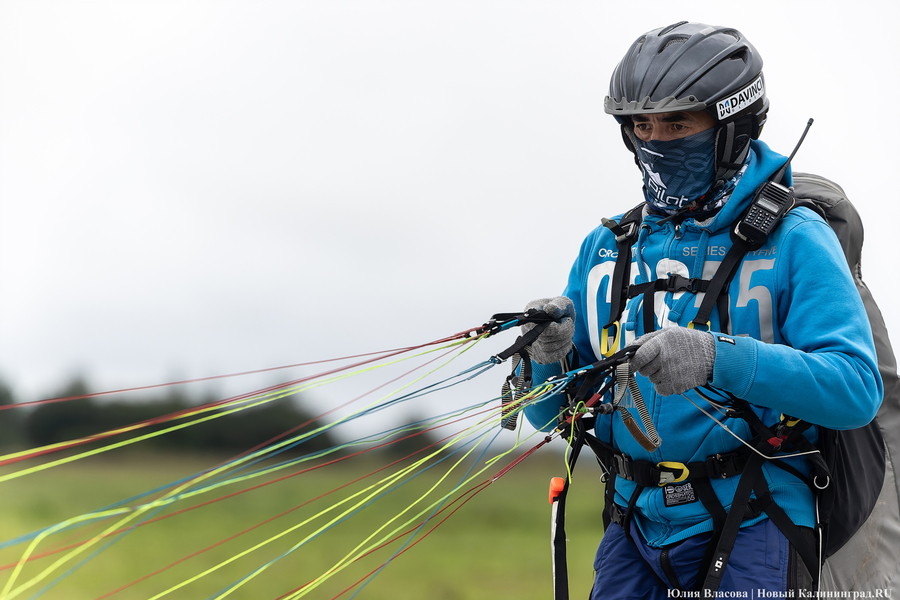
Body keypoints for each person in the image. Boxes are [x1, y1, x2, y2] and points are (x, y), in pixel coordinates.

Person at [520, 22, 883, 598]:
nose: (656, 140)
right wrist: (547, 357)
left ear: (731, 127)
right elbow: (547, 418)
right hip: (634, 526)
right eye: (642, 125)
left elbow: (856, 390)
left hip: (757, 517)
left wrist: (718, 358)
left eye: (678, 122)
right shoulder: (607, 249)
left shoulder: (794, 239)